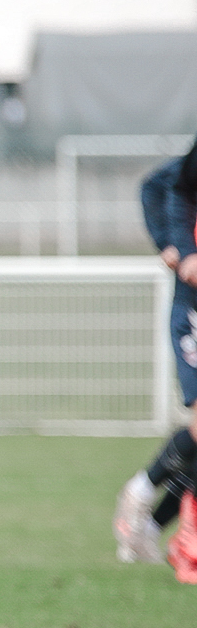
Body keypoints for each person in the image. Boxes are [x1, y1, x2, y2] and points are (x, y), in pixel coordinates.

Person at [113, 136, 197, 584]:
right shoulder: (188, 171)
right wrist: (175, 245)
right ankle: (142, 493)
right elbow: (160, 185)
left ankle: (150, 523)